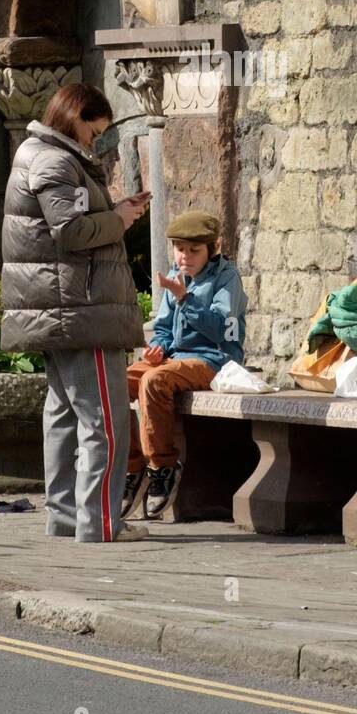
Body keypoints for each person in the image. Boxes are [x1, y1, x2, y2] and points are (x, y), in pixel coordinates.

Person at [0, 82, 150, 542]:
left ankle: (66, 517)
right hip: (80, 311)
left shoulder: (41, 154)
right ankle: (100, 523)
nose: (95, 140)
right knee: (104, 420)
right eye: (93, 129)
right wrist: (120, 220)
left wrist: (114, 211)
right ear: (73, 116)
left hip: (62, 309)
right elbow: (69, 231)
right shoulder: (54, 159)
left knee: (64, 416)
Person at [122, 210, 247, 520]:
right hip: (174, 360)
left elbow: (221, 329)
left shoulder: (227, 278)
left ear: (212, 248)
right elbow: (163, 329)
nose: (185, 257)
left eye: (194, 250)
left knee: (154, 382)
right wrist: (158, 347)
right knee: (117, 381)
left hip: (214, 361)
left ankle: (162, 468)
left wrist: (185, 299)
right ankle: (131, 467)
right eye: (180, 249)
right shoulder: (175, 275)